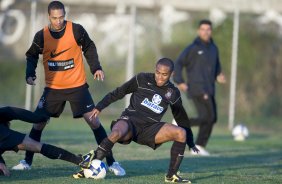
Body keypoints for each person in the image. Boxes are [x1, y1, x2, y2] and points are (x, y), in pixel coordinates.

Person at [12, 1, 125, 176]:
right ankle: (26, 162)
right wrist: (30, 73)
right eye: (55, 18)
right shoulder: (41, 36)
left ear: (65, 15)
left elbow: (89, 47)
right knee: (38, 123)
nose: (58, 21)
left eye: (61, 17)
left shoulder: (76, 30)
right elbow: (31, 55)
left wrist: (96, 67)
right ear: (49, 17)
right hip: (53, 89)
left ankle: (112, 162)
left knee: (94, 121)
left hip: (77, 86)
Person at [79, 58, 199, 183]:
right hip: (129, 121)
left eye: (164, 74)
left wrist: (190, 142)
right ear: (155, 70)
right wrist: (100, 106)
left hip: (150, 128)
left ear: (171, 74)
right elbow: (120, 92)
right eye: (158, 72)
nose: (160, 77)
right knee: (116, 133)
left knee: (181, 133)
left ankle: (171, 176)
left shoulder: (173, 92)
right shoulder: (142, 78)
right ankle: (88, 168)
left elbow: (181, 117)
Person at [173, 19, 226, 156]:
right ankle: (195, 141)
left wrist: (219, 75)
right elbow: (178, 64)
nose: (205, 32)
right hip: (197, 87)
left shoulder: (214, 48)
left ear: (211, 31)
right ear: (198, 31)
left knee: (211, 118)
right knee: (208, 116)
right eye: (203, 29)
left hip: (209, 88)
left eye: (208, 29)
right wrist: (180, 81)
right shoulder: (193, 48)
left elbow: (216, 68)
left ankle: (199, 146)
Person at [0, 106, 92, 176]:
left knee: (37, 146)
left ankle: (79, 160)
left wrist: (38, 118)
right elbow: (13, 112)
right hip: (4, 134)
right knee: (37, 146)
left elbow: (13, 112)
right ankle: (79, 160)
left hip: (4, 134)